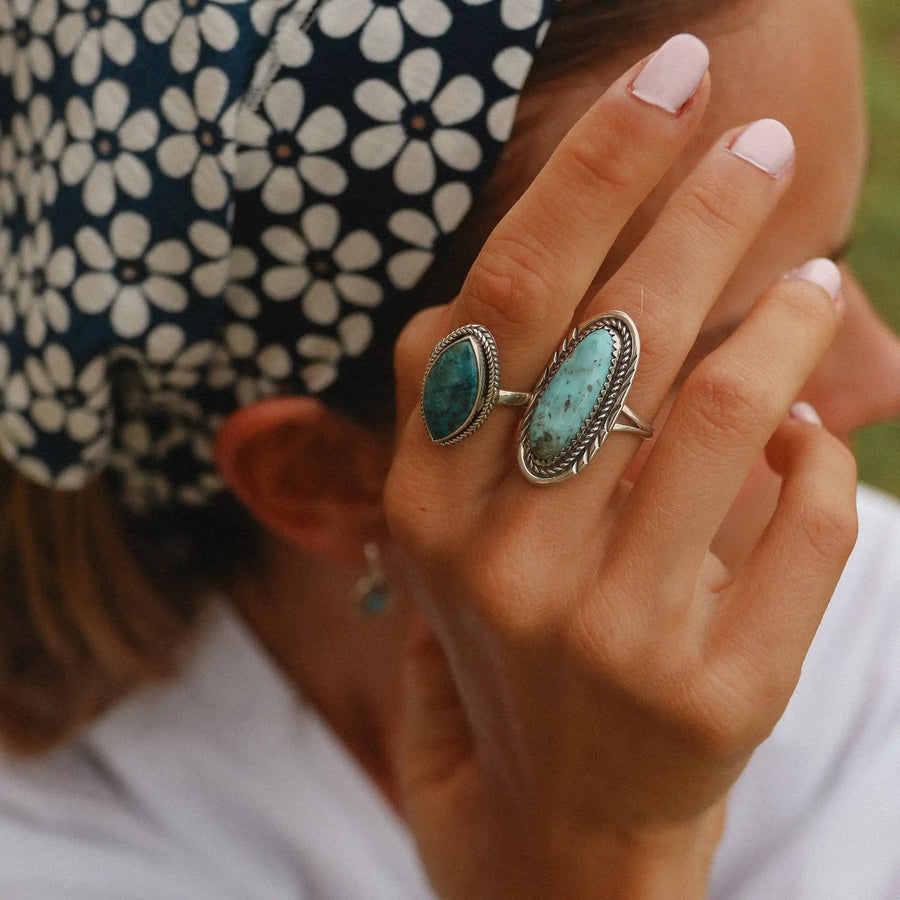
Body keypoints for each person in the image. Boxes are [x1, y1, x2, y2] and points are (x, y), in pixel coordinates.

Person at [0, 0, 898, 896]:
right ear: (327, 478)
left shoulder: (869, 632)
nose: (883, 377)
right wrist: (605, 854)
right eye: (739, 355)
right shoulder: (54, 847)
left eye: (830, 265)